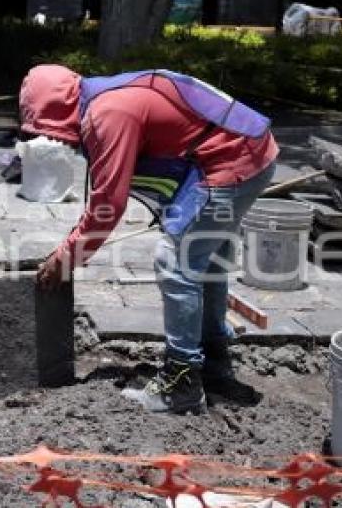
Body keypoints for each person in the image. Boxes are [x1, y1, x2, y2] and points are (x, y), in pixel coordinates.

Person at [20, 65, 278, 414]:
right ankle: (215, 366)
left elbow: (108, 205)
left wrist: (65, 259)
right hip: (246, 151)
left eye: (46, 129)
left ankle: (181, 382)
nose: (54, 139)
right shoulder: (103, 96)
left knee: (176, 260)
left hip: (232, 161)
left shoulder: (107, 113)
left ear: (55, 109)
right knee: (206, 260)